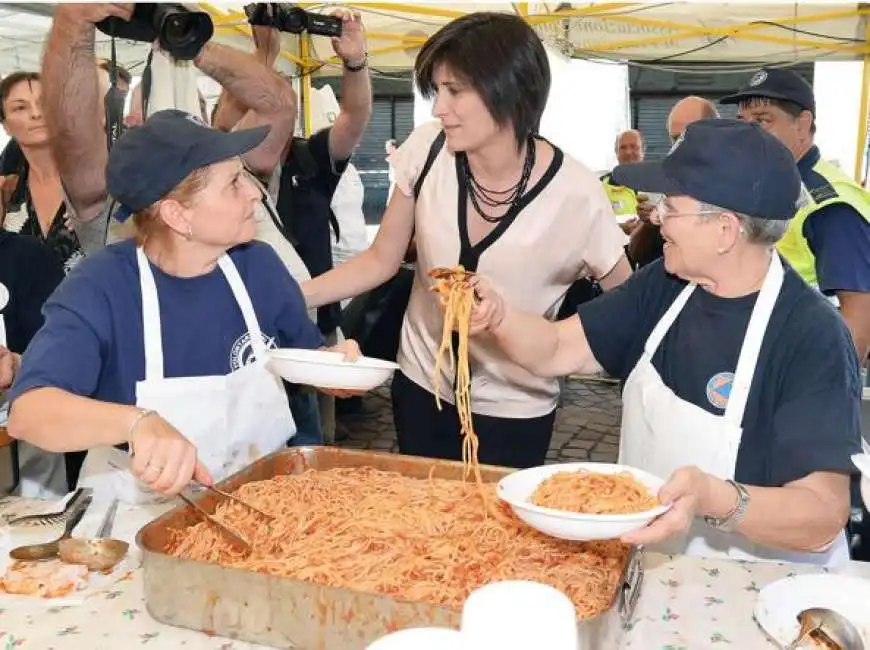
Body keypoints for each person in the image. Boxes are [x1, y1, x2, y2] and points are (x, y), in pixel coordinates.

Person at [470, 119, 861, 565]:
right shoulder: (666, 283)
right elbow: (558, 348)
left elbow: (822, 514)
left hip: (757, 590)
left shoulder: (811, 335)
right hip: (650, 563)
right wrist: (498, 316)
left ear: (724, 231)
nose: (656, 217)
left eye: (671, 206)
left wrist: (714, 497)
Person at [303, 13, 631, 469]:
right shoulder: (427, 150)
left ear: (510, 91)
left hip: (516, 403)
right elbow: (382, 259)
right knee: (428, 522)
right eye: (437, 91)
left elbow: (629, 303)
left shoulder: (576, 193)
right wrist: (295, 296)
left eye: (455, 91)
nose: (439, 108)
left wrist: (569, 351)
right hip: (422, 384)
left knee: (499, 533)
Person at [6, 110, 360, 506]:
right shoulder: (101, 287)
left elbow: (304, 359)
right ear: (177, 215)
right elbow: (29, 412)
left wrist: (336, 367)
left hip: (264, 499)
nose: (255, 193)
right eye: (233, 184)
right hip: (137, 511)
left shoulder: (258, 266)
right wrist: (137, 422)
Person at [213, 10, 372, 446]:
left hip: (311, 326)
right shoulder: (222, 178)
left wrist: (355, 62)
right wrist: (261, 52)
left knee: (312, 433)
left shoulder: (311, 159)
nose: (261, 120)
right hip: (241, 337)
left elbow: (354, 117)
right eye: (251, 110)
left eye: (271, 109)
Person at [722, 67, 870, 364]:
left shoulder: (827, 204)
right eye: (744, 122)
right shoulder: (772, 187)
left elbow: (860, 313)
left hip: (803, 370)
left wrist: (825, 395)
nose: (749, 133)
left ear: (803, 125)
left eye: (762, 121)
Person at [0, 72, 85, 273]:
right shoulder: (9, 191)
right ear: (5, 126)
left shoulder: (101, 182)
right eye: (20, 107)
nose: (36, 114)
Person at [629, 96, 719, 269]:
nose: (678, 147)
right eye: (674, 138)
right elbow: (636, 253)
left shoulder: (737, 182)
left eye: (687, 137)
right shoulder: (670, 180)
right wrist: (651, 222)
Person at [601, 130, 644, 231]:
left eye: (633, 146)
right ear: (616, 153)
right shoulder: (600, 186)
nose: (628, 152)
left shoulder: (660, 186)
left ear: (643, 150)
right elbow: (590, 226)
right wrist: (619, 229)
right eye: (623, 148)